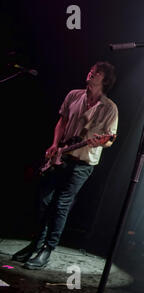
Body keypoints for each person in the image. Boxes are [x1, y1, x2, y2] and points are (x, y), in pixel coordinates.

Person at [12, 61, 118, 270]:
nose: (91, 73)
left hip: (83, 163)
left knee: (61, 204)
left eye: (97, 73)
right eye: (91, 70)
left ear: (105, 81)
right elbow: (62, 122)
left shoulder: (110, 108)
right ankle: (36, 243)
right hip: (61, 156)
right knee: (44, 201)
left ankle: (47, 249)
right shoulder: (73, 95)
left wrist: (102, 142)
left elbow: (110, 139)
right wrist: (53, 145)